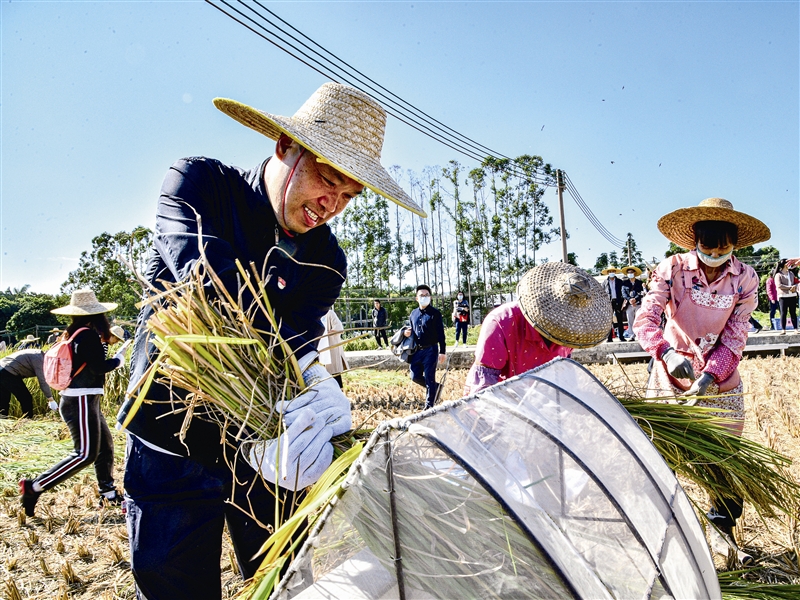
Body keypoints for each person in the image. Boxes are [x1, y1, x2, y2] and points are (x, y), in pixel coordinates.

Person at [115, 82, 423, 600]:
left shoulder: (327, 261)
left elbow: (295, 340)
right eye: (327, 181)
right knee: (173, 582)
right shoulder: (201, 184)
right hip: (171, 432)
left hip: (268, 445)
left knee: (279, 578)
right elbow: (209, 287)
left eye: (349, 196)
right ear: (283, 145)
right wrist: (289, 361)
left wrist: (313, 387)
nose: (331, 206)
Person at [633, 197, 770, 545]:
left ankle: (722, 531)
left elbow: (737, 334)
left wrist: (710, 376)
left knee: (722, 456)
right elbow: (646, 318)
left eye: (723, 247)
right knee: (663, 453)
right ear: (695, 241)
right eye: (708, 246)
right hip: (672, 368)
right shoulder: (672, 269)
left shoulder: (746, 279)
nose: (714, 254)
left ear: (735, 245)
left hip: (720, 375)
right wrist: (664, 352)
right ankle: (661, 533)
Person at [19, 290, 129, 516]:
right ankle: (34, 487)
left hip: (86, 399)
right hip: (80, 400)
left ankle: (108, 493)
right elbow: (99, 367)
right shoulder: (86, 335)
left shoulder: (75, 333)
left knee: (105, 447)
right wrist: (118, 360)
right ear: (98, 315)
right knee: (85, 454)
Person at [465, 262, 611, 394]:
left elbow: (564, 372)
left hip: (546, 407)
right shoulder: (502, 322)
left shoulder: (572, 330)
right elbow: (484, 387)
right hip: (505, 406)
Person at [404, 285, 446, 409]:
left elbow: (441, 334)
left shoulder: (435, 314)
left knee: (429, 378)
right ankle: (436, 388)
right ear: (417, 298)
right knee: (414, 376)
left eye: (427, 295)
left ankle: (429, 407)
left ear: (430, 297)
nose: (424, 297)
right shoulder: (413, 314)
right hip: (417, 350)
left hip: (431, 350)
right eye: (421, 295)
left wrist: (442, 351)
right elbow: (411, 331)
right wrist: (406, 333)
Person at [0, 348, 55, 418]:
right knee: (26, 398)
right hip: (7, 372)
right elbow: (43, 381)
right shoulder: (40, 360)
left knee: (4, 398)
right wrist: (51, 399)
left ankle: (2, 420)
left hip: (3, 369)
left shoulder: (37, 353)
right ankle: (27, 420)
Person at [319, 308, 348, 389]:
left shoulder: (329, 313)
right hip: (320, 347)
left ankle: (339, 389)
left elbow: (338, 328)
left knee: (334, 371)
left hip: (331, 346)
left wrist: (327, 333)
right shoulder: (315, 314)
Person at [620, 266, 645, 341]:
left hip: (638, 304)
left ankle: (641, 335)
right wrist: (630, 299)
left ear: (635, 273)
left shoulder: (639, 283)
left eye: (631, 272)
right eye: (629, 272)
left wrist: (635, 299)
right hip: (629, 304)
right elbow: (623, 293)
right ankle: (632, 335)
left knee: (639, 320)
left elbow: (642, 292)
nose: (630, 274)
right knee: (630, 320)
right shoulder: (625, 283)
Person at [774, 258, 798, 334]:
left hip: (792, 295)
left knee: (793, 313)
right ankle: (783, 329)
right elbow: (779, 285)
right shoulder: (778, 275)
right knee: (783, 313)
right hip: (783, 296)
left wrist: (794, 286)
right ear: (784, 264)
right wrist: (789, 287)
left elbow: (795, 282)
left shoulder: (791, 273)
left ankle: (796, 329)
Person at [602, 267, 625, 342]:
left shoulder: (619, 281)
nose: (611, 272)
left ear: (615, 272)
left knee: (619, 320)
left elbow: (623, 292)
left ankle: (621, 336)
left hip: (618, 301)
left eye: (613, 271)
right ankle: (609, 338)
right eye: (610, 271)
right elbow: (602, 293)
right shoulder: (605, 282)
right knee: (609, 321)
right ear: (608, 272)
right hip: (609, 302)